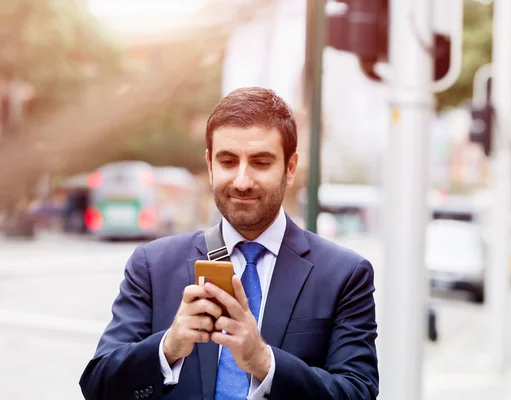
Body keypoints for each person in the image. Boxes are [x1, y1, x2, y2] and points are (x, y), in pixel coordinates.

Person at [79, 87, 379, 400]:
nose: (242, 181)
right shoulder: (152, 265)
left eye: (261, 163)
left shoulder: (345, 274)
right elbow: (98, 386)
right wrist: (169, 347)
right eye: (228, 161)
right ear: (210, 165)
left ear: (290, 169)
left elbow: (358, 392)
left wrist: (264, 362)